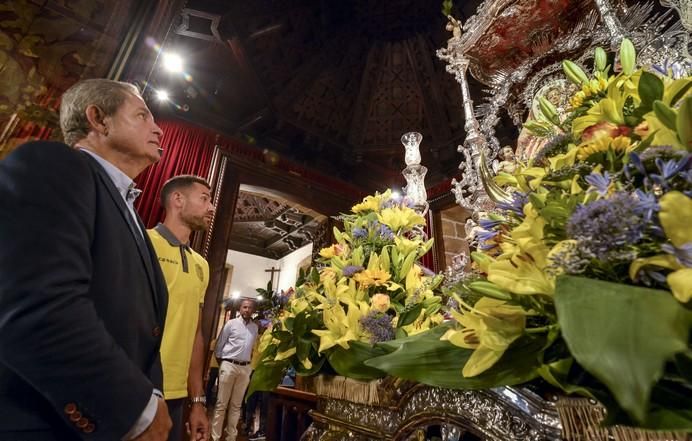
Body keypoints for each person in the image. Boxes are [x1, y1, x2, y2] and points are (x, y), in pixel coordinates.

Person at [0, 79, 171, 440]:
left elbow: (144, 331)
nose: (157, 128)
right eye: (142, 115)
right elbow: (36, 304)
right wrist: (135, 412)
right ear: (98, 119)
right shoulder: (53, 164)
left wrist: (153, 397)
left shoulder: (133, 215)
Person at [149, 175, 215, 441]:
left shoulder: (202, 264)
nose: (211, 207)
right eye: (204, 199)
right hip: (138, 388)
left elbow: (195, 333)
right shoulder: (144, 242)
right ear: (178, 199)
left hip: (177, 395)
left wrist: (197, 400)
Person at [211, 299, 259, 441]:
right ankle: (215, 437)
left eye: (250, 308)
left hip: (245, 368)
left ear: (253, 310)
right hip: (229, 364)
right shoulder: (231, 324)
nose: (247, 310)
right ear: (240, 309)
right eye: (244, 307)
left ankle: (231, 437)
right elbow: (220, 345)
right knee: (221, 404)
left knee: (236, 405)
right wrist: (223, 363)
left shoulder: (254, 328)